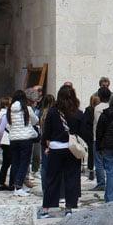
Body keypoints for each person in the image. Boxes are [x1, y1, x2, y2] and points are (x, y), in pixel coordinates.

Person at [40, 85, 83, 216]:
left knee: (52, 179)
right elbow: (82, 133)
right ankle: (69, 207)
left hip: (56, 148)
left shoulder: (53, 112)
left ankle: (46, 207)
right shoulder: (78, 113)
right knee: (71, 178)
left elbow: (47, 132)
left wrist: (46, 144)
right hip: (72, 149)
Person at [5, 89, 39, 197]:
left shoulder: (9, 110)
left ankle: (16, 184)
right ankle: (19, 186)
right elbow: (35, 120)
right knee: (24, 163)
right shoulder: (27, 109)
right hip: (25, 139)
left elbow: (7, 124)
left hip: (14, 139)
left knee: (15, 162)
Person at [90, 87, 111, 191]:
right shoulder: (111, 106)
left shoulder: (98, 108)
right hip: (110, 138)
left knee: (98, 162)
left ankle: (101, 182)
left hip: (98, 138)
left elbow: (98, 124)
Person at [0, 96, 13, 191]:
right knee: (9, 162)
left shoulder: (0, 113)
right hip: (7, 140)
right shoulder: (5, 114)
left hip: (3, 141)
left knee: (6, 163)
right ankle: (10, 183)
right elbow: (1, 130)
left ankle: (1, 183)